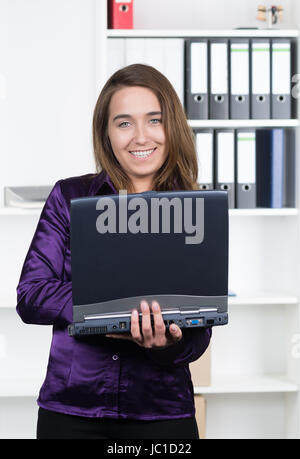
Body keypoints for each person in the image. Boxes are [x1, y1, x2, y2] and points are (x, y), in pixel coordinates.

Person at [16, 64, 212, 440]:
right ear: (106, 134)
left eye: (154, 120)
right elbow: (31, 295)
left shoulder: (196, 211)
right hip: (72, 412)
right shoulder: (70, 198)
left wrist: (166, 343)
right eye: (124, 123)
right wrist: (115, 305)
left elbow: (200, 330)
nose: (140, 137)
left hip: (162, 416)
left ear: (172, 127)